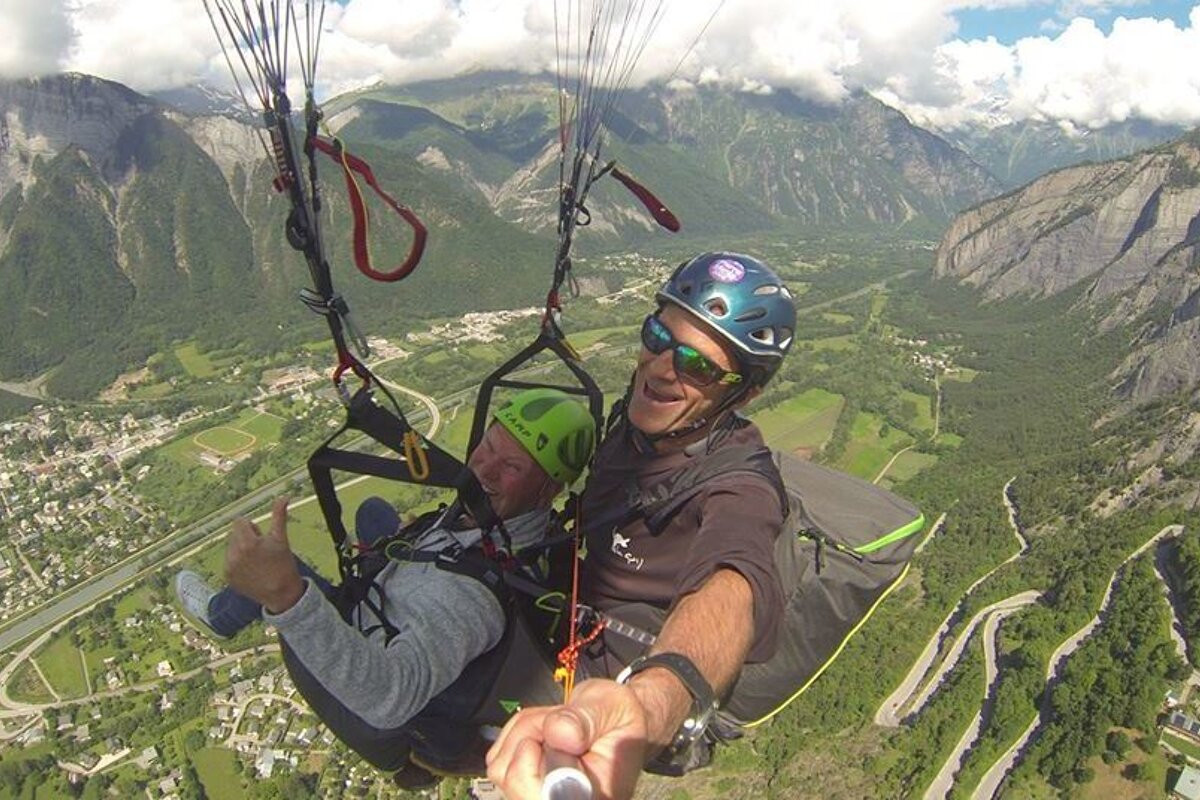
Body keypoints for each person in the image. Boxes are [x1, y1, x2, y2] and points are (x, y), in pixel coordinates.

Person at [486, 252, 797, 800]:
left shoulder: (739, 487)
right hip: (568, 595)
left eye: (697, 366)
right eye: (657, 334)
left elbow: (733, 582)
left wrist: (651, 703)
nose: (659, 368)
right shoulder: (638, 421)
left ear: (743, 394)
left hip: (604, 664)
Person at [174, 388, 596, 781]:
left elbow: (390, 697)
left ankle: (221, 616)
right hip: (399, 609)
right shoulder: (500, 522)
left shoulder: (471, 601)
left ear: (547, 491)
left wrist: (286, 597)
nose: (483, 467)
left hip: (382, 714)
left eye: (512, 467)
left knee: (282, 573)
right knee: (374, 512)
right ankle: (397, 564)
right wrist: (421, 554)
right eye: (488, 447)